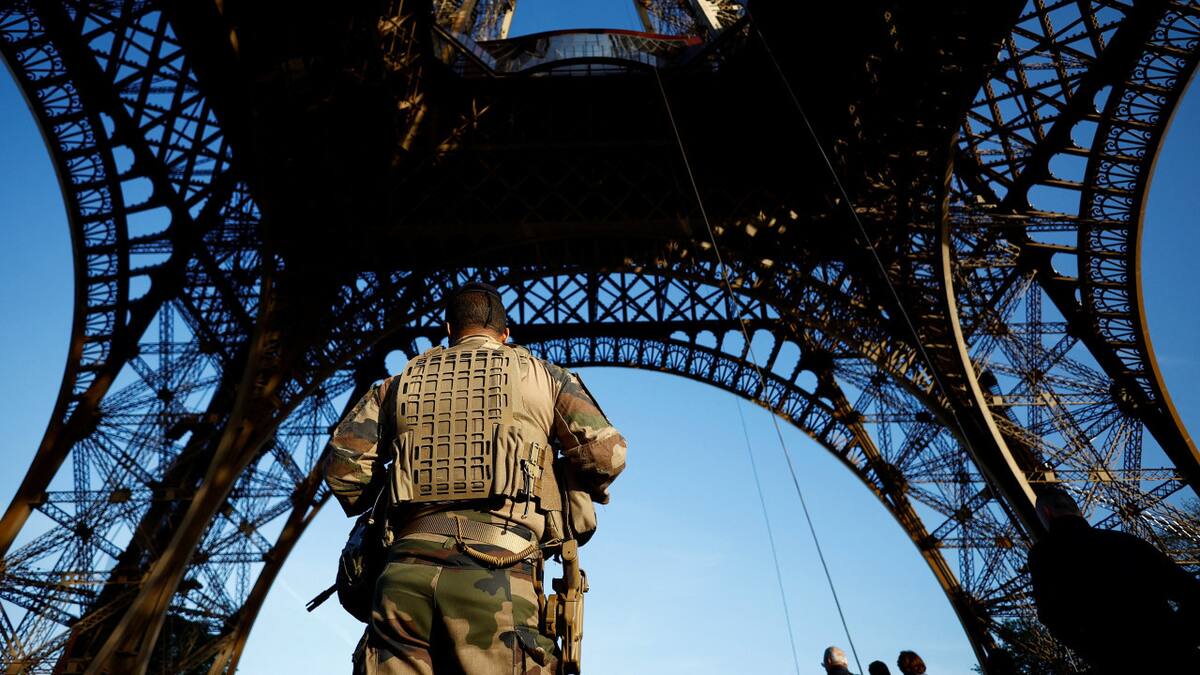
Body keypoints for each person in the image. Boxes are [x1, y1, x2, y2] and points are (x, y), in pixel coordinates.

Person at [324, 281, 628, 674]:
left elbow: (343, 471)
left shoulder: (396, 386)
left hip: (403, 575)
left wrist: (401, 487)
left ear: (449, 330)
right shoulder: (547, 378)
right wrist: (557, 479)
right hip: (500, 573)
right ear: (505, 333)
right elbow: (606, 455)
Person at [1027, 486, 1200, 672]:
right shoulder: (1126, 541)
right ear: (1078, 510)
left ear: (1047, 513)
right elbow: (1191, 591)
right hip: (1176, 657)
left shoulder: (1043, 555)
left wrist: (1101, 657)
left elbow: (1052, 616)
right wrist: (1176, 640)